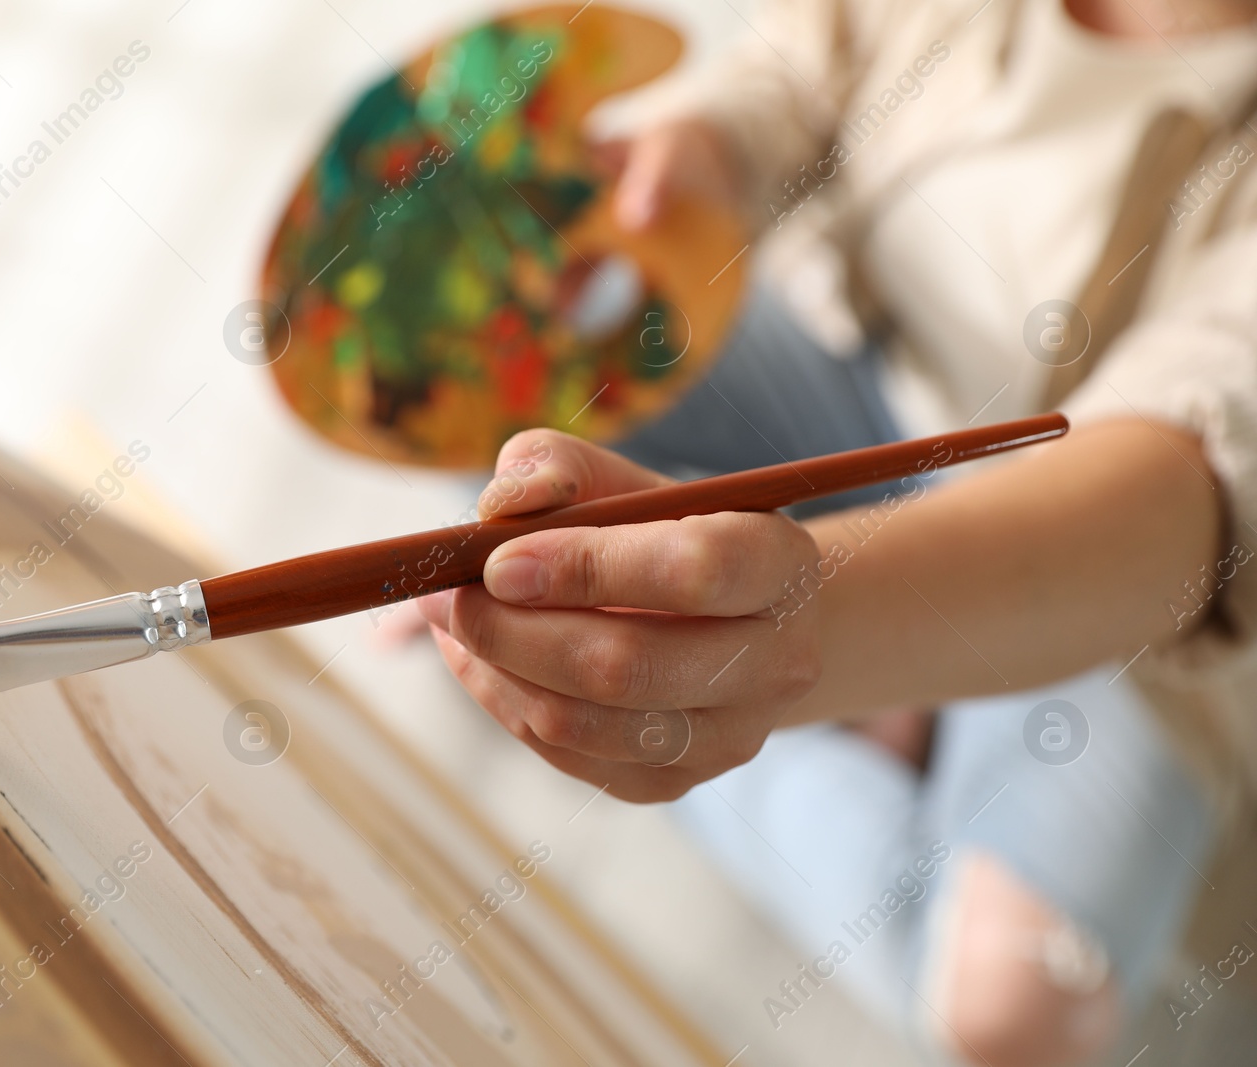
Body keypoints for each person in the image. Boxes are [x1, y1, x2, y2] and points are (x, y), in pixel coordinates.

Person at [416, 0, 1257, 1063]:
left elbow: (1177, 492)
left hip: (1121, 603)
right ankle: (865, 686)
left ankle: (847, 691)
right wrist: (705, 151)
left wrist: (808, 633)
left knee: (1018, 1014)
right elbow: (801, 73)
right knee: (481, 366)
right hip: (854, 381)